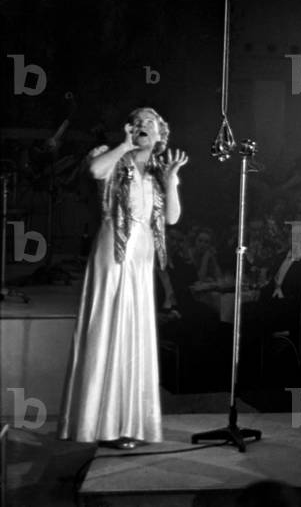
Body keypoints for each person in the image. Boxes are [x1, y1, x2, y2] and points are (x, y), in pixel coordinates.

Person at [58, 108, 188, 449]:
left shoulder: (159, 170)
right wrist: (124, 145)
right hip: (113, 248)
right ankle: (97, 423)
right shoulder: (111, 156)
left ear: (161, 135)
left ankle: (129, 422)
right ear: (129, 128)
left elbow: (172, 218)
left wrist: (172, 178)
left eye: (151, 122)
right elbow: (95, 171)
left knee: (135, 332)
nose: (144, 125)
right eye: (138, 121)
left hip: (142, 254)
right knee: (107, 325)